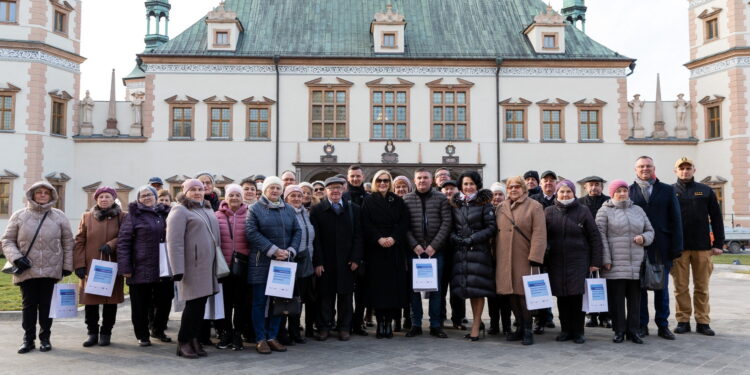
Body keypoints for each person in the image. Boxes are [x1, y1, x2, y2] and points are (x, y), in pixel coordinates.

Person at [2, 182, 74, 354]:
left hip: (51, 268)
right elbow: (7, 240)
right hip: (27, 269)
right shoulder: (19, 215)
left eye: (46, 193)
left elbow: (67, 242)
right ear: (32, 195)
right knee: (29, 305)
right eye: (38, 192)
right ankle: (28, 339)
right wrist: (16, 258)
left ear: (51, 196)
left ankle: (45, 338)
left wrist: (67, 265)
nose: (42, 195)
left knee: (47, 305)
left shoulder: (59, 216)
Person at [245, 176, 301, 354]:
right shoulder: (255, 208)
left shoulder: (289, 209)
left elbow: (298, 231)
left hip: (283, 263)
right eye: (272, 188)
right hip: (261, 262)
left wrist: (290, 250)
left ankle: (272, 336)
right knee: (260, 302)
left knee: (279, 301)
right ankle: (260, 338)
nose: (275, 191)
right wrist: (274, 250)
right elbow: (251, 232)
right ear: (265, 190)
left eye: (278, 188)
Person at [630, 156, 684, 340]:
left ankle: (663, 325)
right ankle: (642, 325)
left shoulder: (667, 190)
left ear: (654, 168)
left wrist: (676, 248)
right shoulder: (628, 191)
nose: (645, 169)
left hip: (662, 246)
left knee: (661, 289)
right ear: (635, 169)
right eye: (641, 166)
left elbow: (676, 220)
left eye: (648, 166)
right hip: (637, 248)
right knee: (639, 289)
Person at [167, 179, 221, 359]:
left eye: (200, 189)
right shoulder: (180, 210)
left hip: (208, 266)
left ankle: (193, 339)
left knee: (200, 306)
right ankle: (183, 342)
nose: (198, 192)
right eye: (193, 190)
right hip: (192, 267)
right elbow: (174, 242)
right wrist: (177, 269)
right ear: (185, 192)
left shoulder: (205, 208)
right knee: (193, 306)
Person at [544, 180, 603, 344]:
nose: (565, 195)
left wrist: (595, 261)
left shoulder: (583, 211)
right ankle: (565, 330)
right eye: (562, 192)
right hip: (556, 262)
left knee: (577, 297)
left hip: (578, 261)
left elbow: (594, 237)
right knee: (562, 297)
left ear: (573, 193)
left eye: (568, 192)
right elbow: (543, 237)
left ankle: (578, 331)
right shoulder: (548, 212)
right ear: (556, 193)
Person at [597, 180, 655, 344]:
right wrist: (606, 259)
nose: (622, 194)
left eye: (624, 190)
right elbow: (600, 236)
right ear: (612, 193)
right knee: (617, 301)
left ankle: (633, 331)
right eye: (618, 191)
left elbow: (650, 231)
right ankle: (619, 331)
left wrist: (643, 238)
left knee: (635, 300)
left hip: (636, 263)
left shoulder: (638, 210)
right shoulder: (604, 211)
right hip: (615, 263)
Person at [672, 157, 724, 336]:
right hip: (679, 248)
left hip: (702, 247)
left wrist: (718, 243)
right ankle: (683, 320)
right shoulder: (670, 192)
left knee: (702, 286)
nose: (685, 171)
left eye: (688, 168)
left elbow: (716, 218)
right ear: (676, 171)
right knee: (681, 287)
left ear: (694, 170)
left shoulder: (706, 191)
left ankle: (703, 321)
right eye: (681, 168)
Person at [118, 185, 174, 346]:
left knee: (164, 300)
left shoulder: (165, 213)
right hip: (139, 267)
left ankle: (158, 329)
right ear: (138, 199)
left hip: (163, 267)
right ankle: (142, 335)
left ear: (156, 196)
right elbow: (123, 242)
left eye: (150, 194)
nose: (147, 197)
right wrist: (126, 268)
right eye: (143, 195)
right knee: (140, 304)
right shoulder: (133, 215)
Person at [310, 176, 363, 341]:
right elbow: (315, 239)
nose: (335, 191)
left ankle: (344, 327)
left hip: (347, 261)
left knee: (346, 297)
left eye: (338, 188)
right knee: (325, 296)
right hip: (326, 261)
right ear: (325, 191)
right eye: (331, 188)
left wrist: (356, 258)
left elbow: (358, 236)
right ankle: (324, 327)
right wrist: (318, 262)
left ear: (343, 190)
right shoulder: (318, 210)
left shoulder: (353, 209)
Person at [495, 176, 546, 346]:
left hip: (525, 257)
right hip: (504, 257)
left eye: (517, 186)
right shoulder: (501, 207)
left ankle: (528, 329)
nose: (514, 190)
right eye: (510, 187)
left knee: (524, 295)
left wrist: (535, 257)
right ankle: (519, 328)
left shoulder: (534, 206)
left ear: (524, 188)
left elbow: (539, 233)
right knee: (511, 295)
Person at [74, 186, 126, 348]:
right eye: (101, 197)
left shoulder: (122, 217)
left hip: (112, 264)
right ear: (96, 199)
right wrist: (79, 264)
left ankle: (106, 332)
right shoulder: (87, 217)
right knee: (91, 302)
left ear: (113, 199)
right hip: (91, 265)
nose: (104, 199)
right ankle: (92, 332)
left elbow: (125, 235)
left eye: (108, 197)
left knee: (110, 302)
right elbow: (79, 241)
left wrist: (112, 244)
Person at [360, 170, 410, 339]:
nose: (383, 183)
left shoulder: (397, 201)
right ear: (375, 182)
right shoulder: (368, 201)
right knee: (377, 288)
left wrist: (393, 238)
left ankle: (388, 322)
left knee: (392, 289)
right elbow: (365, 224)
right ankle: (380, 322)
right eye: (379, 180)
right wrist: (378, 238)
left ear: (390, 183)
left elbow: (404, 223)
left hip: (394, 249)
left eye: (386, 180)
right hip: (375, 249)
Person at [403, 168, 452, 339]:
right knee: (414, 290)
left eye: (425, 178)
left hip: (435, 252)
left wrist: (434, 246)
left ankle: (435, 325)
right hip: (414, 252)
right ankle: (416, 323)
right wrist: (414, 244)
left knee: (436, 289)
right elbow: (404, 225)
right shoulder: (407, 199)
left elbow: (447, 223)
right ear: (414, 181)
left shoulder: (441, 198)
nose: (422, 181)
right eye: (419, 178)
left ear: (431, 181)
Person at [448, 171, 497, 341]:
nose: (468, 187)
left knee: (478, 290)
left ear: (477, 185)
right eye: (465, 184)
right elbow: (451, 227)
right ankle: (477, 323)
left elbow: (491, 228)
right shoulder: (456, 204)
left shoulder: (485, 204)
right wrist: (456, 238)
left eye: (471, 184)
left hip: (478, 252)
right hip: (461, 252)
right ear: (461, 186)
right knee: (467, 289)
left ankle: (476, 325)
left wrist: (472, 239)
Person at [214, 184, 251, 350]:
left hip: (244, 266)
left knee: (241, 302)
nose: (234, 198)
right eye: (231, 195)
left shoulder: (250, 215)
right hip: (224, 267)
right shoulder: (216, 216)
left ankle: (238, 334)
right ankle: (226, 333)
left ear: (242, 198)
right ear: (225, 198)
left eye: (238, 195)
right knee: (225, 303)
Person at [578, 176, 611, 328]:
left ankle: (606, 316)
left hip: (605, 246)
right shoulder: (580, 203)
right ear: (585, 187)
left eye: (597, 185)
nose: (594, 187)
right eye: (591, 185)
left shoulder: (608, 201)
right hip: (586, 247)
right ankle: (592, 315)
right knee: (589, 282)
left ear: (602, 187)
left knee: (605, 282)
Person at [284, 185, 316, 342]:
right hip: (290, 261)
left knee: (300, 298)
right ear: (286, 198)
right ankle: (287, 332)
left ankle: (296, 331)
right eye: (293, 195)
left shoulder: (306, 213)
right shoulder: (285, 212)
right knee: (288, 299)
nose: (297, 198)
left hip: (306, 261)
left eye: (299, 195)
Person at [528, 170, 557, 334]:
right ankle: (539, 319)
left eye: (552, 181)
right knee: (539, 283)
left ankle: (549, 316)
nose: (548, 183)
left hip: (557, 249)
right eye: (545, 181)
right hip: (539, 249)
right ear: (541, 184)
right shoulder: (533, 200)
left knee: (555, 285)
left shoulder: (560, 198)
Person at [343, 165, 369, 335]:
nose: (355, 179)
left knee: (362, 292)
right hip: (347, 251)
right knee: (345, 292)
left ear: (363, 177)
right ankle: (346, 322)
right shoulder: (343, 197)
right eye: (352, 176)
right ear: (348, 177)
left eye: (358, 176)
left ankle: (358, 323)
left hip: (366, 251)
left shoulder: (369, 197)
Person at [439, 179, 466, 330]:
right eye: (446, 189)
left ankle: (458, 318)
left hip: (457, 253)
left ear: (458, 190)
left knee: (457, 290)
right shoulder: (439, 205)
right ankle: (440, 317)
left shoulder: (462, 206)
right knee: (440, 289)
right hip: (441, 252)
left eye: (452, 188)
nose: (448, 191)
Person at [487, 182, 512, 336]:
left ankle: (507, 325)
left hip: (505, 257)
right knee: (492, 295)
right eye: (494, 195)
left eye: (500, 194)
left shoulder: (509, 212)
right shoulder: (486, 211)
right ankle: (494, 324)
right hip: (489, 258)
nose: (496, 198)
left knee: (506, 294)